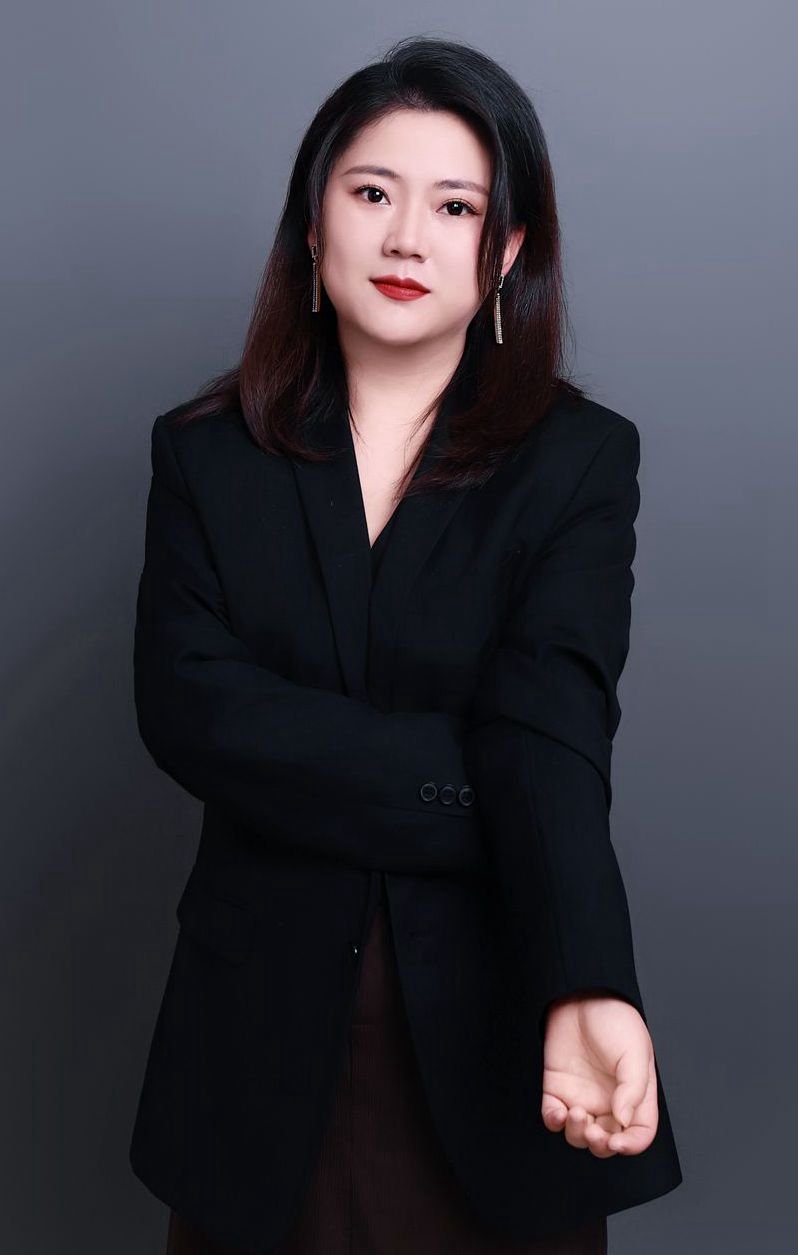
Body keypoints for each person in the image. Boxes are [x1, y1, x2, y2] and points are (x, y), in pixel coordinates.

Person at [129, 34, 683, 1255]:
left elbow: (553, 722)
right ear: (313, 221)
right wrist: (474, 779)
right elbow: (192, 708)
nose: (407, 238)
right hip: (255, 1059)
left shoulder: (579, 461)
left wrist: (591, 982)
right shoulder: (205, 452)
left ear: (508, 251)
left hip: (498, 1043)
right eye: (372, 193)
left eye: (456, 207)